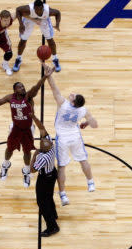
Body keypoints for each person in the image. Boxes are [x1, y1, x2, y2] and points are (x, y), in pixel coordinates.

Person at [0, 65, 53, 187]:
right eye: (19, 87)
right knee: (9, 148)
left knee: (27, 152)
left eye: (23, 86)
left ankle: (26, 170)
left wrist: (45, 76)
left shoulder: (28, 96)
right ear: (15, 90)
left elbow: (36, 87)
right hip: (16, 127)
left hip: (28, 129)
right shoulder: (10, 98)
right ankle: (5, 165)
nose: (22, 88)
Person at [47, 73, 98, 206]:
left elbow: (54, 87)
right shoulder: (83, 110)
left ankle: (63, 194)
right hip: (75, 136)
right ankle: (90, 182)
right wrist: (87, 122)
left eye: (74, 96)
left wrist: (48, 76)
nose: (72, 94)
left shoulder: (63, 104)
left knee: (62, 166)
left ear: (73, 102)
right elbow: (95, 125)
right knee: (83, 160)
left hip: (62, 138)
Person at [13, 0, 62, 72]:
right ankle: (18, 59)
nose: (38, 11)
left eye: (40, 9)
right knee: (23, 40)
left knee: (50, 40)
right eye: (36, 9)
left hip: (44, 19)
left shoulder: (48, 11)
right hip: (29, 18)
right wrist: (21, 24)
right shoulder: (29, 9)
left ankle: (55, 59)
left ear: (43, 8)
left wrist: (57, 24)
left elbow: (58, 13)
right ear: (34, 8)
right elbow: (18, 10)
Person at [30, 132, 60, 237]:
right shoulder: (51, 147)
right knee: (49, 196)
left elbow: (32, 170)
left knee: (42, 202)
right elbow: (43, 130)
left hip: (45, 178)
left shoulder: (42, 158)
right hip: (52, 174)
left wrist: (34, 156)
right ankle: (53, 214)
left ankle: (52, 227)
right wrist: (34, 118)